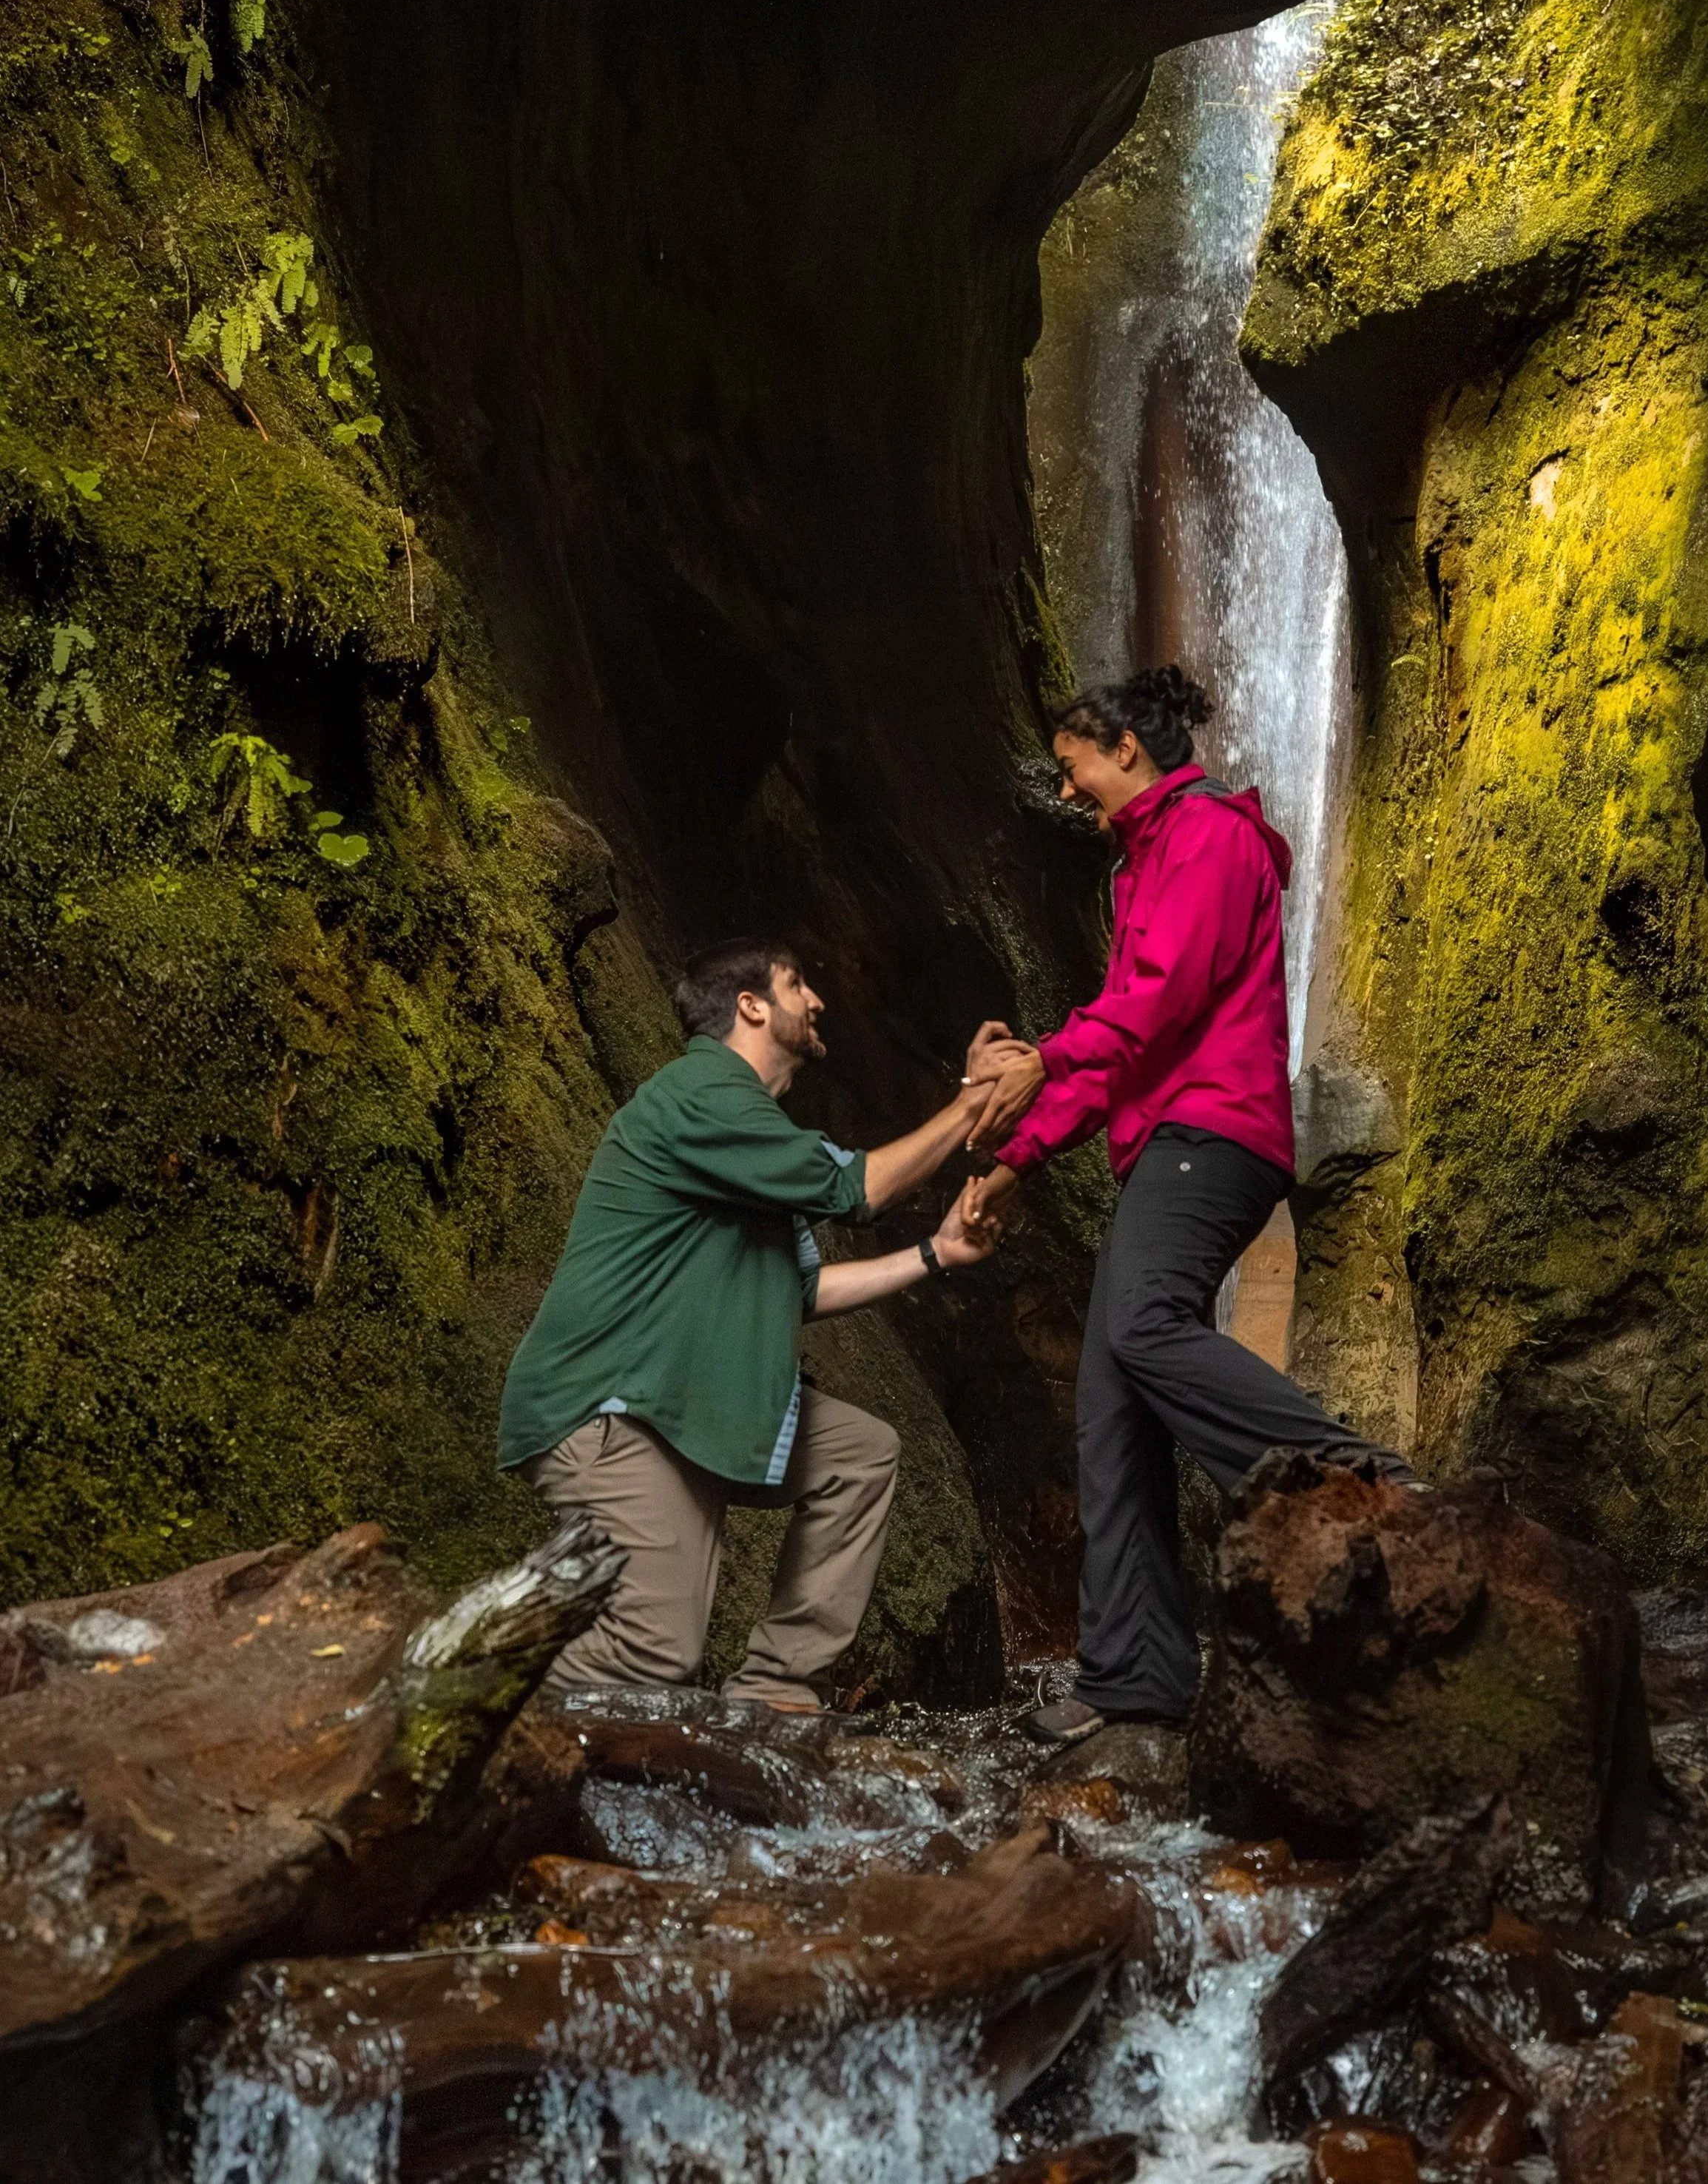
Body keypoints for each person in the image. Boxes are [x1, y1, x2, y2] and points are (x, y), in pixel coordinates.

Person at [961, 666, 1413, 1744]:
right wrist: (1020, 1157)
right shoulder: (1143, 861)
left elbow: (1153, 1004)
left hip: (1215, 1134)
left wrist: (1044, 1060)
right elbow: (1123, 1042)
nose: (1066, 792)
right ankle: (1136, 1675)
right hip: (1168, 1137)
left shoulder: (1209, 834)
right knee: (1111, 1395)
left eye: (1074, 769)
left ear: (1126, 747)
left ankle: (1364, 1481)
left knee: (1145, 1324)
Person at [499, 936, 1008, 1711]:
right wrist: (971, 1103)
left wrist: (935, 1253)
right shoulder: (704, 1093)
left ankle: (773, 1689)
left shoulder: (746, 1140)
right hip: (613, 1405)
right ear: (750, 1004)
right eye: (797, 982)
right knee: (653, 1652)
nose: (817, 999)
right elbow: (857, 1188)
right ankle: (442, 1687)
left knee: (859, 1454)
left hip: (682, 1402)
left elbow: (801, 1289)